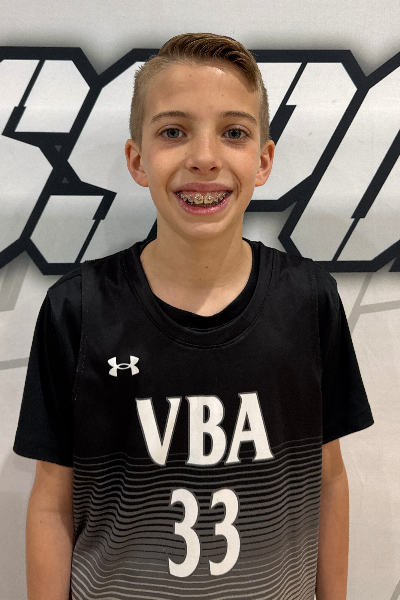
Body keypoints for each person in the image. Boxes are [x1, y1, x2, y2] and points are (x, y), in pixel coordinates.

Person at [14, 33, 374, 600]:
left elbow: (328, 479)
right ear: (138, 160)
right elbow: (51, 501)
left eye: (233, 132)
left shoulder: (310, 301)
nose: (204, 157)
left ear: (263, 160)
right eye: (173, 132)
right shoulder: (76, 309)